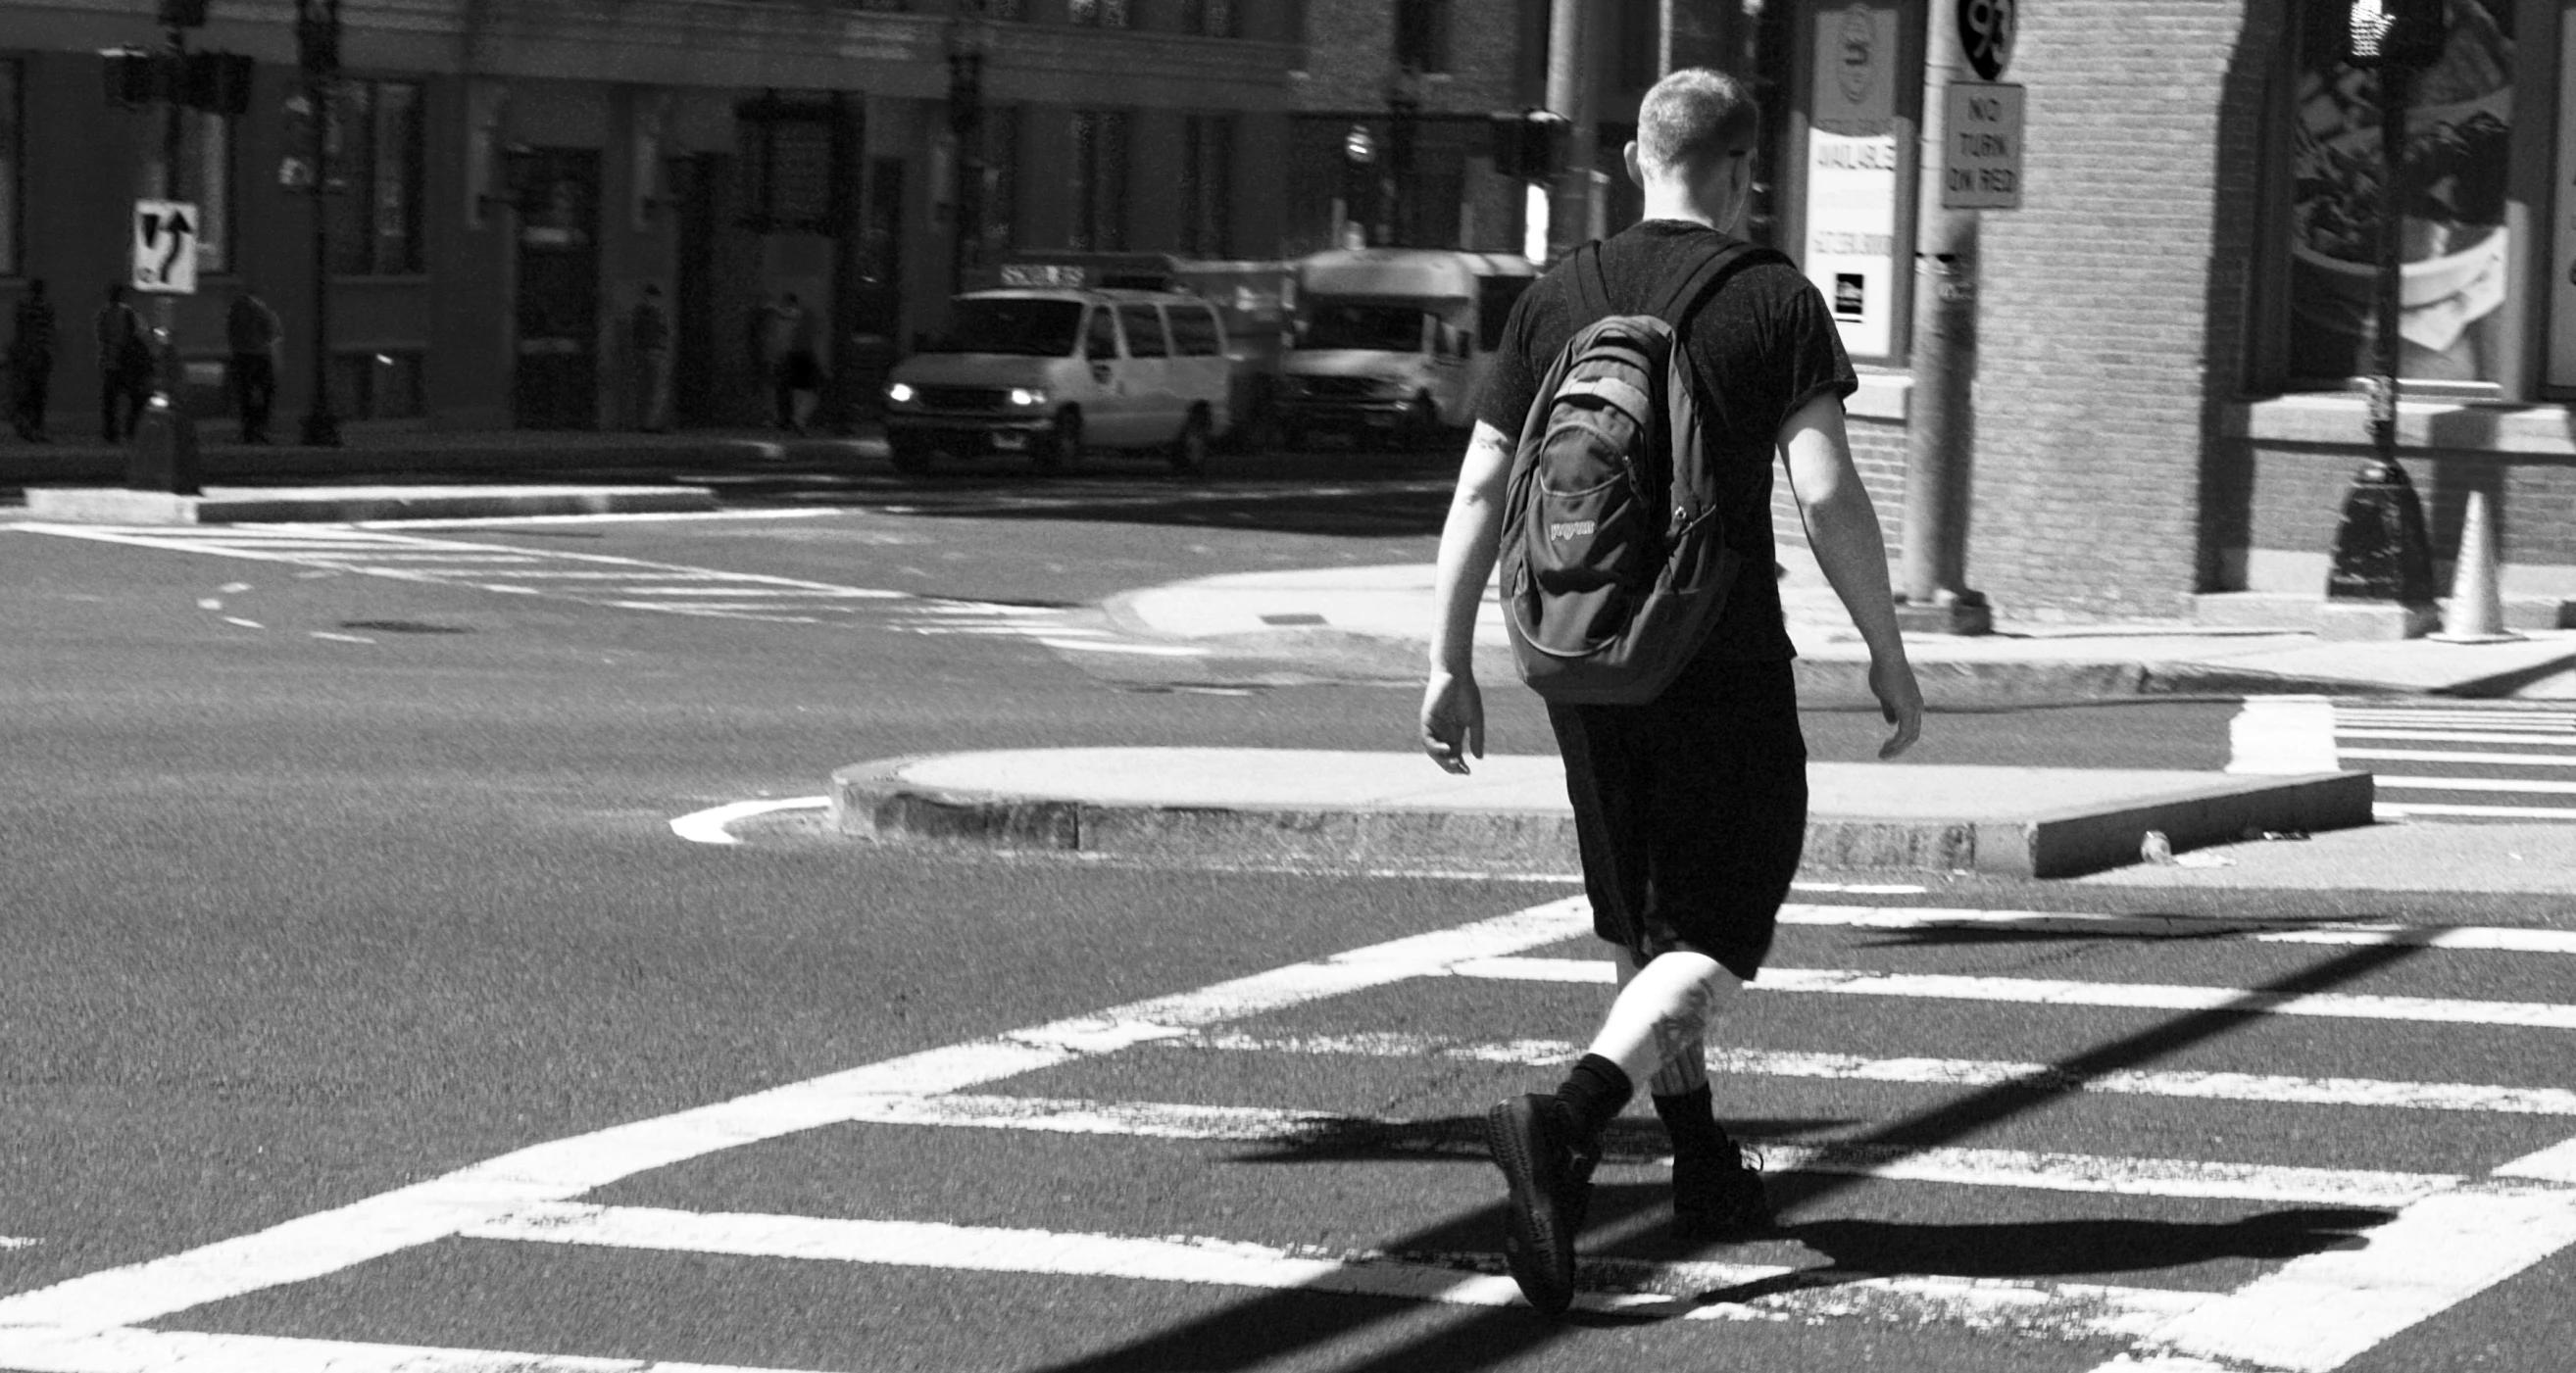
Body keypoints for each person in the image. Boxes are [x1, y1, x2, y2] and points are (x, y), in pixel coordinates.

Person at [1416, 68, 1923, 1316]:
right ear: (1743, 171)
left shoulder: (1555, 300)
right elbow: (1825, 491)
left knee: (1643, 923)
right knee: (1714, 938)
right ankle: (1569, 1118)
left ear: (1639, 159)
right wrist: (1887, 647)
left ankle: (1699, 1158)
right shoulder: (1771, 299)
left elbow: (1482, 491)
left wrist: (1446, 660)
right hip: (1719, 657)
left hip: (1581, 657)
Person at [93, 282, 150, 444]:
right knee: (135, 398)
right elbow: (139, 335)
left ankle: (111, 433)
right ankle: (130, 430)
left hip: (110, 362)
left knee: (110, 400)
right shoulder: (128, 313)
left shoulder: (104, 314)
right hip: (126, 363)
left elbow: (101, 337)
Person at [226, 287, 284, 444]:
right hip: (259, 355)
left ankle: (248, 430)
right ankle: (258, 428)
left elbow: (232, 334)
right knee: (265, 393)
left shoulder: (236, 311)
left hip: (241, 355)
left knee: (245, 395)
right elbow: (272, 333)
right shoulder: (261, 310)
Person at [761, 290, 822, 434]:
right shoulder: (801, 315)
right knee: (807, 390)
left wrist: (771, 307)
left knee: (787, 388)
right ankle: (795, 419)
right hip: (800, 355)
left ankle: (786, 419)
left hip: (787, 356)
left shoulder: (779, 316)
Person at [11, 277, 57, 442]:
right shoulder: (46, 307)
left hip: (28, 355)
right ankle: (35, 428)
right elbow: (49, 331)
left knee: (27, 393)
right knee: (38, 394)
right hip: (39, 355)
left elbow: (20, 330)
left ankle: (27, 427)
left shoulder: (23, 306)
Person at [629, 282, 672, 432]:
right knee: (655, 389)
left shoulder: (640, 314)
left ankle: (646, 422)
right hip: (654, 351)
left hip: (645, 352)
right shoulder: (655, 315)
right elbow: (663, 333)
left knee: (646, 389)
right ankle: (651, 423)